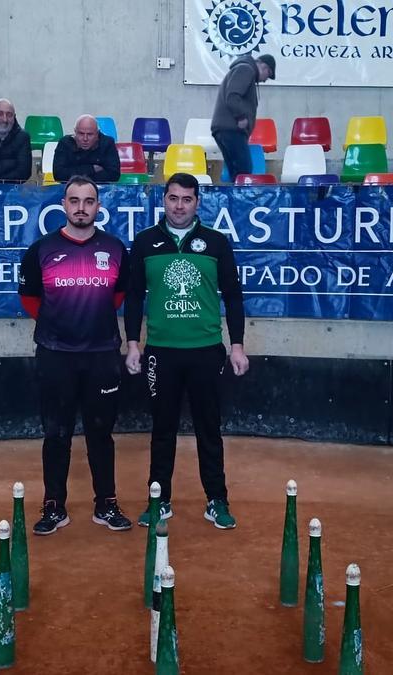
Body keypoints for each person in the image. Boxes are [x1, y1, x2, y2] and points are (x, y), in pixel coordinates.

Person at [124, 172, 248, 530]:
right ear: (164, 200)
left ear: (197, 202)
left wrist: (237, 346)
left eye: (187, 199)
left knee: (209, 428)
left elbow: (234, 297)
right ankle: (159, 500)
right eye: (173, 198)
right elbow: (133, 297)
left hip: (206, 351)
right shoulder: (146, 242)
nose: (179, 206)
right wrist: (133, 344)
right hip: (161, 353)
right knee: (162, 429)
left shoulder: (216, 242)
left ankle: (217, 500)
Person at [18, 176, 132, 536]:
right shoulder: (41, 250)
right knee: (56, 433)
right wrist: (60, 327)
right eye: (74, 200)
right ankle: (54, 505)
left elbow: (118, 296)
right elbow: (31, 300)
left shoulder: (115, 249)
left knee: (102, 433)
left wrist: (90, 324)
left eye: (89, 200)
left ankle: (106, 503)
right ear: (64, 205)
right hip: (55, 356)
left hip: (102, 356)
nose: (81, 207)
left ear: (98, 206)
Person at [210, 53, 274, 182]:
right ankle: (242, 201)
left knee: (236, 173)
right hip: (231, 129)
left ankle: (234, 200)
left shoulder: (243, 69)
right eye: (269, 74)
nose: (266, 79)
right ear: (264, 67)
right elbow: (232, 95)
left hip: (224, 128)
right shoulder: (246, 70)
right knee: (244, 171)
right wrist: (241, 117)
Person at [53, 114, 121, 183]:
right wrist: (92, 169)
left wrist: (75, 173)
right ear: (75, 132)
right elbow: (58, 175)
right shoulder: (65, 143)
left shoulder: (107, 143)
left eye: (90, 134)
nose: (85, 139)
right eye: (81, 134)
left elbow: (114, 175)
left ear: (97, 134)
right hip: (70, 188)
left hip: (100, 188)